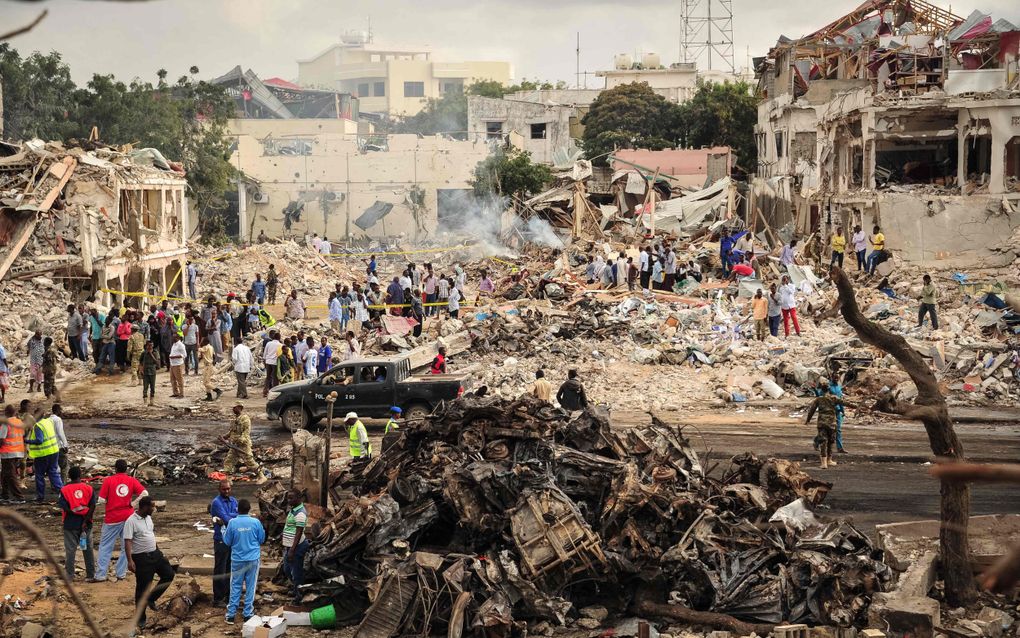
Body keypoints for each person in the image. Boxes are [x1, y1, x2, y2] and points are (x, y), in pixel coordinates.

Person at [125, 496, 175, 632]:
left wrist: (158, 550)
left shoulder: (148, 518)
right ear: (144, 507)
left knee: (169, 574)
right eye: (152, 506)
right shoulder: (131, 521)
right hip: (141, 558)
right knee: (142, 588)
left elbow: (150, 535)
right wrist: (130, 561)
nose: (154, 508)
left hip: (155, 554)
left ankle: (151, 598)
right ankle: (140, 617)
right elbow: (128, 541)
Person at [95, 460, 147, 581]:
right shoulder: (131, 480)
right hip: (128, 517)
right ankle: (121, 573)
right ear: (126, 469)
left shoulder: (108, 480)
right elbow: (144, 493)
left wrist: (111, 501)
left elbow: (102, 500)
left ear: (115, 469)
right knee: (126, 546)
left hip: (112, 518)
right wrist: (133, 504)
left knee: (105, 546)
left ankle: (101, 574)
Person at [223, 498, 265, 625]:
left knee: (235, 586)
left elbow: (227, 542)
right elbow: (262, 539)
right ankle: (247, 614)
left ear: (237, 509)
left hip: (237, 560)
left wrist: (223, 530)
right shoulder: (256, 522)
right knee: (251, 586)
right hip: (253, 559)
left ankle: (231, 615)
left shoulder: (232, 523)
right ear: (249, 509)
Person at [59, 465, 97, 581]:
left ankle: (69, 576)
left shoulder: (64, 490)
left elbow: (64, 507)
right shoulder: (89, 488)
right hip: (86, 524)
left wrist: (75, 513)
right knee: (87, 549)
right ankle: (90, 574)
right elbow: (93, 505)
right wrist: (85, 520)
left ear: (69, 476)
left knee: (70, 550)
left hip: (70, 524)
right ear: (80, 476)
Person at [209, 479, 238, 608]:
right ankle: (218, 598)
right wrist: (230, 517)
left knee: (229, 568)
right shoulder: (216, 503)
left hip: (231, 539)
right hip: (221, 539)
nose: (226, 491)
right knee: (220, 569)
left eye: (228, 489)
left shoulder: (234, 501)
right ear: (219, 489)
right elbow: (228, 519)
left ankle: (227, 595)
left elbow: (235, 517)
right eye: (224, 489)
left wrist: (228, 517)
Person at [25, 408, 63, 503]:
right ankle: (64, 494)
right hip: (54, 451)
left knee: (39, 476)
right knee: (53, 473)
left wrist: (27, 441)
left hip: (43, 454)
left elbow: (39, 440)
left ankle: (40, 497)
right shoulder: (48, 422)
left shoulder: (38, 426)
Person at [805, 380, 842, 469]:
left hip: (822, 423)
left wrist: (808, 420)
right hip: (832, 424)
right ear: (829, 390)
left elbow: (812, 410)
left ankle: (824, 463)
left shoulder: (819, 399)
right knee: (830, 442)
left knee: (823, 442)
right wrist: (858, 406)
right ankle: (829, 460)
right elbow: (845, 403)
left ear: (821, 390)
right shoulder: (834, 398)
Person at [281, 489, 308, 605]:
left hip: (297, 547)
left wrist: (292, 549)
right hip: (290, 546)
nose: (289, 500)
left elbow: (298, 533)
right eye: (288, 498)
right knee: (287, 569)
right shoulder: (293, 510)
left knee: (297, 572)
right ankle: (296, 589)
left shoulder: (300, 513)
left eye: (291, 498)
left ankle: (299, 596)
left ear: (299, 498)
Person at [0, 405, 25, 503]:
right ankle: (4, 495)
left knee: (10, 474)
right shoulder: (19, 422)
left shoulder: (6, 423)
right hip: (18, 452)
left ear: (6, 412)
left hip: (8, 452)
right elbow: (22, 435)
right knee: (5, 474)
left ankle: (19, 497)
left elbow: (1, 439)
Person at [223, 405, 258, 473]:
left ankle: (261, 475)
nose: (233, 409)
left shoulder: (245, 418)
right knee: (229, 460)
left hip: (243, 445)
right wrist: (226, 436)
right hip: (235, 445)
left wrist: (240, 440)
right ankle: (226, 475)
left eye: (234, 408)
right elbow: (232, 431)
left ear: (240, 408)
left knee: (250, 462)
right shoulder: (235, 418)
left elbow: (246, 432)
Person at [137, 341, 159, 407]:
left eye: (151, 345)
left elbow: (157, 362)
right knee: (145, 387)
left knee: (153, 387)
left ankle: (152, 401)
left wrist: (151, 354)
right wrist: (141, 370)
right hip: (145, 372)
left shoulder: (155, 352)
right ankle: (145, 401)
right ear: (146, 346)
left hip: (152, 372)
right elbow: (140, 362)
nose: (150, 347)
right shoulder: (143, 353)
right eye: (149, 345)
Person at [262, 332, 281, 397]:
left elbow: (265, 353)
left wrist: (264, 360)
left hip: (268, 361)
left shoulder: (268, 343)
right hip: (275, 363)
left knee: (268, 377)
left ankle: (265, 391)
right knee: (275, 378)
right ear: (279, 338)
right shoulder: (280, 345)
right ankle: (274, 391)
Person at [168, 333, 186, 398]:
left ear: (177, 338)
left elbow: (184, 355)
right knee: (172, 379)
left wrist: (174, 357)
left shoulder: (181, 345)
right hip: (172, 364)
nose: (172, 338)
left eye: (174, 337)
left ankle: (181, 393)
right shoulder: (174, 344)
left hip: (177, 364)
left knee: (179, 379)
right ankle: (175, 392)